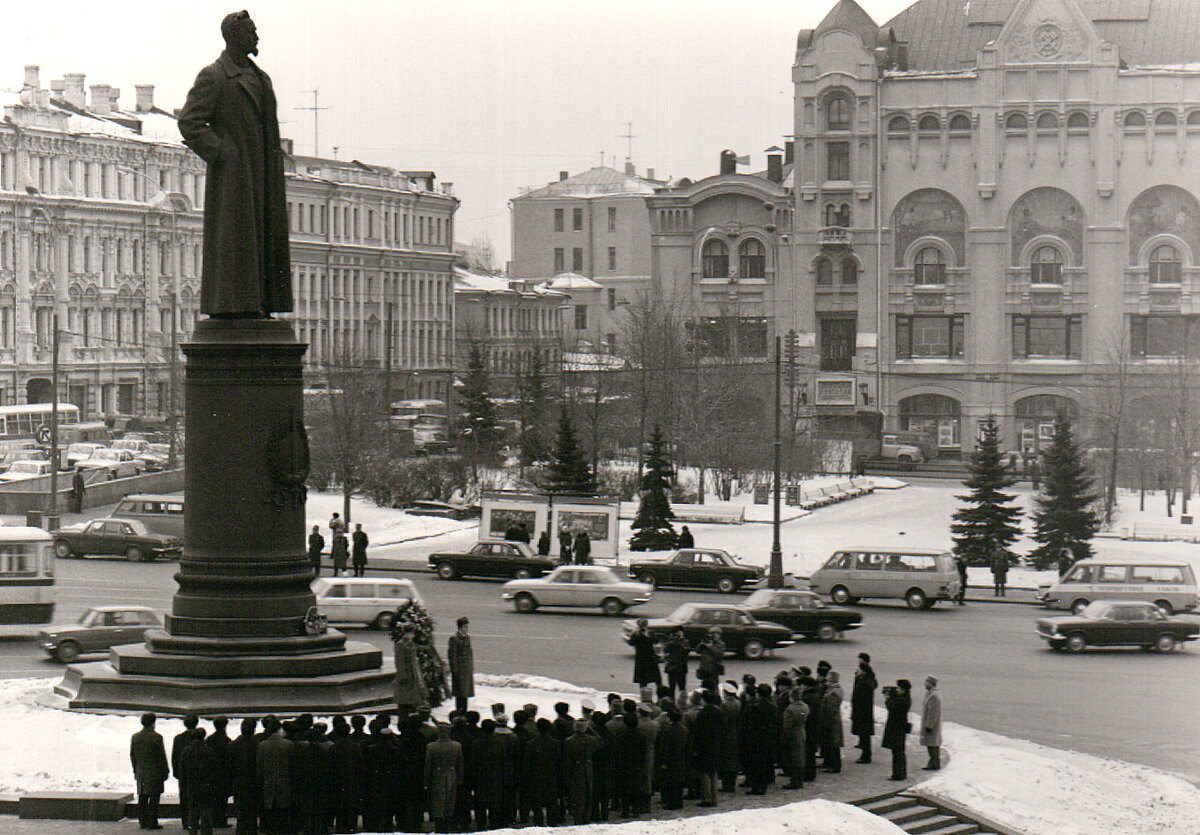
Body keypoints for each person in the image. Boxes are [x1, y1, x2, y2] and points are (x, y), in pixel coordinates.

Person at [178, 11, 292, 316]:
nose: (257, 37)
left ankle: (262, 302)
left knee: (263, 237)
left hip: (264, 175)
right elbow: (189, 122)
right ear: (233, 36)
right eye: (251, 32)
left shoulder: (261, 78)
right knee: (237, 240)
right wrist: (223, 151)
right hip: (235, 177)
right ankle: (235, 307)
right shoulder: (215, 76)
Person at [130, 712, 168, 830]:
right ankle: (152, 822)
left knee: (142, 796)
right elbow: (161, 756)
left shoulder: (135, 737)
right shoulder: (157, 737)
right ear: (153, 723)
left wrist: (135, 769)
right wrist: (165, 771)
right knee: (154, 797)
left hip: (141, 771)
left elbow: (132, 755)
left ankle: (142, 822)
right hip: (155, 771)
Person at [256, 716, 293, 835]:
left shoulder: (262, 745)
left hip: (268, 782)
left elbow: (259, 767)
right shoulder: (288, 744)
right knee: (283, 816)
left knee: (270, 816)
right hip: (284, 783)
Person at [424, 723, 463, 834]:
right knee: (450, 801)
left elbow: (428, 766)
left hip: (437, 776)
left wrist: (426, 781)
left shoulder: (431, 746)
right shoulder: (457, 746)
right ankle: (448, 824)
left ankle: (439, 826)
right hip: (452, 776)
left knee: (438, 802)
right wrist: (460, 779)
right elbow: (460, 765)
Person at [228, 718, 259, 835]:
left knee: (241, 813)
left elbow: (229, 765)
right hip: (253, 782)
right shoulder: (256, 745)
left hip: (238, 782)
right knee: (252, 814)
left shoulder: (233, 745)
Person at [394, 623, 428, 717]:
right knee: (404, 701)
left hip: (412, 675)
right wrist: (403, 676)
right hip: (406, 677)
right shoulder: (400, 644)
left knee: (411, 701)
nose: (413, 635)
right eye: (412, 633)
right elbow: (399, 662)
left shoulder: (410, 643)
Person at [172, 715, 200, 832]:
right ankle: (194, 822)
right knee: (196, 798)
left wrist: (176, 772)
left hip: (183, 773)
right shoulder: (200, 737)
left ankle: (185, 822)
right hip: (197, 773)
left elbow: (174, 757)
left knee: (184, 798)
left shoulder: (178, 738)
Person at [883, 679, 913, 781]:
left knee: (897, 752)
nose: (897, 690)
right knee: (899, 751)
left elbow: (892, 707)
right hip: (899, 727)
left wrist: (887, 698)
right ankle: (901, 773)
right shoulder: (905, 698)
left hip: (897, 728)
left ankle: (898, 774)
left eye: (899, 688)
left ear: (903, 690)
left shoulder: (902, 701)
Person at [851, 652, 878, 764]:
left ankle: (866, 755)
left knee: (865, 732)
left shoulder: (867, 678)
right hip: (861, 708)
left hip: (864, 710)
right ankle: (864, 749)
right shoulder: (863, 676)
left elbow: (866, 691)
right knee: (862, 731)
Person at [447, 616, 475, 714]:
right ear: (460, 628)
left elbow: (469, 653)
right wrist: (454, 670)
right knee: (460, 694)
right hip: (459, 671)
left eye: (467, 627)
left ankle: (464, 711)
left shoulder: (467, 638)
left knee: (465, 694)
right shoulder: (454, 639)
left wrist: (470, 667)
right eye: (465, 627)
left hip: (466, 670)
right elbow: (452, 655)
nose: (466, 629)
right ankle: (460, 712)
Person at [626, 618, 661, 692]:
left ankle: (657, 694)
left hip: (647, 658)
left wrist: (648, 635)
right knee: (645, 680)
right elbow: (631, 642)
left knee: (655, 679)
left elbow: (656, 640)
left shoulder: (649, 632)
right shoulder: (637, 633)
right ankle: (645, 696)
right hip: (644, 658)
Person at [820, 670, 844, 773]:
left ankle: (834, 765)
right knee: (831, 743)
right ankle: (830, 763)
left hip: (831, 721)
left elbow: (830, 709)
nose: (826, 683)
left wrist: (826, 722)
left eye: (828, 680)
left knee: (832, 744)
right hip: (833, 720)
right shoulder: (836, 690)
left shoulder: (832, 693)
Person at [921, 675, 942, 770]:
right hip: (931, 723)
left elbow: (933, 712)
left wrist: (929, 725)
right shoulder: (930, 694)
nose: (925, 684)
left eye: (927, 682)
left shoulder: (934, 696)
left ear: (931, 683)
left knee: (932, 744)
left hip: (932, 724)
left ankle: (934, 763)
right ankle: (934, 762)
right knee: (932, 743)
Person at [663, 628, 690, 699]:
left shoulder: (686, 642)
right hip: (672, 667)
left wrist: (679, 642)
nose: (678, 636)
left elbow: (686, 652)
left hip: (681, 668)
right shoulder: (671, 642)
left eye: (680, 634)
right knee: (671, 688)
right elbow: (666, 650)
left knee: (682, 688)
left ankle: (682, 702)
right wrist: (672, 641)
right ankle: (672, 702)